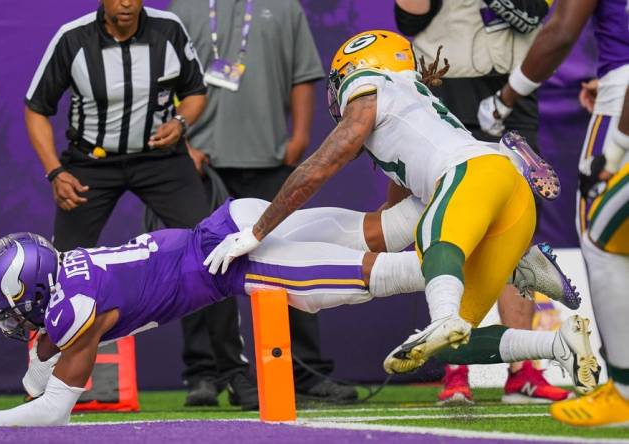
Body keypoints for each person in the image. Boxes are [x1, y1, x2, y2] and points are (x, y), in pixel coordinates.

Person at [0, 193, 592, 427]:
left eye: (9, 311)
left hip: (235, 261)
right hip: (232, 222)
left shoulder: (73, 313)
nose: (11, 323)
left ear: (32, 296)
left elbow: (50, 407)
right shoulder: (71, 288)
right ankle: (483, 221)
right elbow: (41, 364)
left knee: (380, 275)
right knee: (375, 230)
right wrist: (37, 361)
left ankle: (500, 253)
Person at [204, 30, 600, 389]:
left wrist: (257, 231)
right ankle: (557, 341)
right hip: (506, 203)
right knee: (446, 348)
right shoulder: (412, 110)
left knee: (434, 251)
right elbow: (386, 226)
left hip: (474, 174)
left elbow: (325, 162)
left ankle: (448, 313)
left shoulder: (371, 84)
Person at [166, 0, 353, 406]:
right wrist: (184, 144)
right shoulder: (182, 8)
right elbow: (165, 85)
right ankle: (205, 375)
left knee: (291, 262)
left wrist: (300, 136)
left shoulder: (284, 7)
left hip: (269, 158)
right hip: (202, 160)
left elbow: (304, 75)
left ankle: (305, 371)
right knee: (198, 268)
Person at [394, 0, 566, 405]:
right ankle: (456, 367)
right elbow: (409, 16)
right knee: (455, 225)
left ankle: (523, 372)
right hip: (446, 83)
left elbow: (537, 11)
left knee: (516, 229)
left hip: (513, 84)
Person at [478, 0, 629, 427]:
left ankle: (623, 391)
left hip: (623, 98)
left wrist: (506, 98)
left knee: (604, 240)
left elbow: (561, 30)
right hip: (619, 86)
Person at [25, 0, 210, 277]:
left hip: (161, 159)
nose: (126, 2)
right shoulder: (73, 38)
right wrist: (55, 172)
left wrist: (180, 121)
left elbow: (196, 90)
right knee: (65, 265)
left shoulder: (168, 29)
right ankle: (64, 319)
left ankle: (218, 321)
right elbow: (36, 108)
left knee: (208, 247)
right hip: (92, 163)